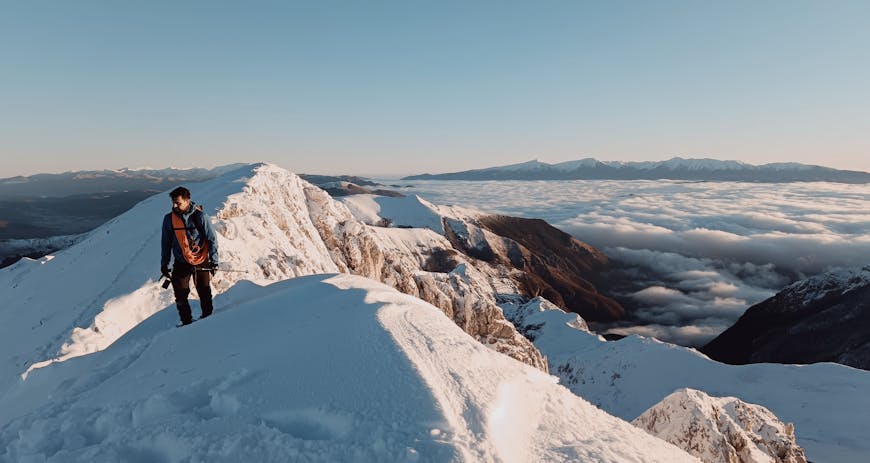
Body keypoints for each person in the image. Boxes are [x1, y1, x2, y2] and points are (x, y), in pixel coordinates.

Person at [160, 186, 219, 326]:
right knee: (180, 295)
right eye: (173, 202)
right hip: (181, 262)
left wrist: (214, 261)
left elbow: (212, 239)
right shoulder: (169, 219)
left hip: (201, 260)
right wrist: (164, 264)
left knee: (204, 292)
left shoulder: (200, 217)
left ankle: (208, 319)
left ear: (187, 201)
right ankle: (186, 322)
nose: (174, 206)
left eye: (178, 203)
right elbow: (166, 243)